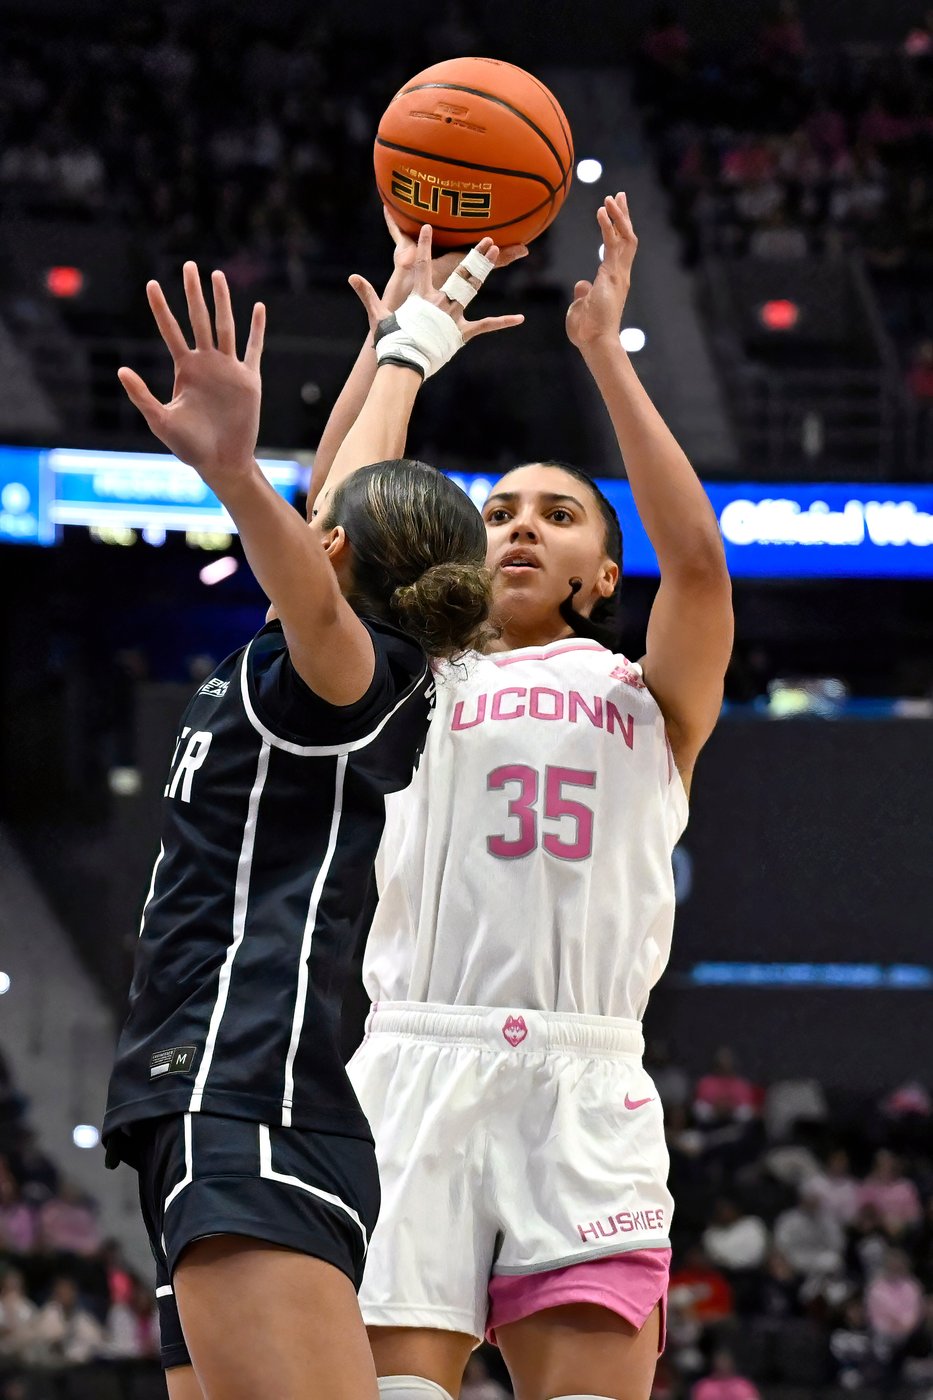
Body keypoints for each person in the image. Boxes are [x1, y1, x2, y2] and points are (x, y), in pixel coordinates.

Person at [320, 193, 733, 1400]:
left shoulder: (650, 694)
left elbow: (699, 562)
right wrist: (398, 347)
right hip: (418, 1057)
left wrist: (604, 353)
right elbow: (331, 536)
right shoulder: (413, 674)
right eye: (497, 510)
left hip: (584, 1073)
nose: (519, 528)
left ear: (603, 572)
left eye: (558, 515)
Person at [102, 234, 523, 1400]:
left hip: (248, 1094)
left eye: (317, 518)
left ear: (331, 551)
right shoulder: (341, 661)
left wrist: (234, 473)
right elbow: (351, 485)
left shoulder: (344, 672)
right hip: (227, 1102)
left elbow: (320, 533)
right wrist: (402, 344)